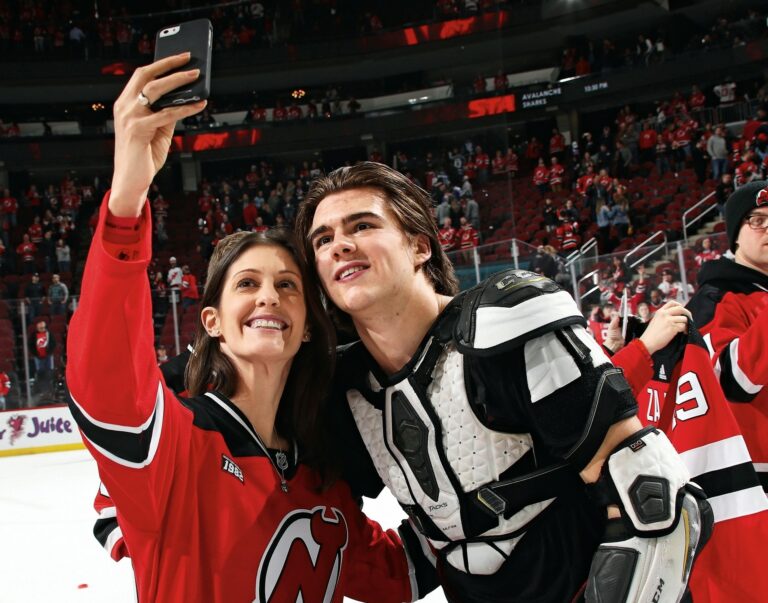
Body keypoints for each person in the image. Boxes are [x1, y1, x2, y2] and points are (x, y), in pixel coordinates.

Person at [66, 54, 427, 603]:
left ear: (307, 326)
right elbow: (106, 385)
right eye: (246, 284)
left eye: (288, 286)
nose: (268, 296)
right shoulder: (176, 451)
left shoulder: (321, 484)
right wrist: (126, 199)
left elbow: (397, 576)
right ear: (211, 322)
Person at [296, 161, 712, 602]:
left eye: (361, 225)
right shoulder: (342, 390)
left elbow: (651, 495)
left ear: (419, 246)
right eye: (323, 239)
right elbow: (436, 528)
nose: (340, 245)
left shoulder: (508, 323)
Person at [687, 180, 768, 492]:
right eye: (757, 220)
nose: (767, 228)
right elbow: (734, 381)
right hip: (753, 477)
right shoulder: (715, 298)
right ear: (735, 235)